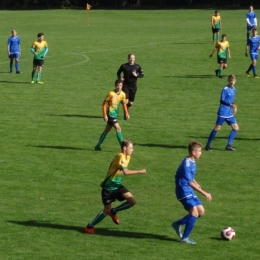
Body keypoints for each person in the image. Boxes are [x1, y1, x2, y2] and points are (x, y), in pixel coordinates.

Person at [84, 139, 146, 234]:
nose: (132, 150)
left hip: (118, 185)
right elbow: (125, 172)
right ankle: (89, 227)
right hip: (109, 188)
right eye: (131, 148)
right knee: (106, 211)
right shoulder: (120, 156)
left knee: (132, 201)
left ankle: (114, 211)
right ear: (124, 148)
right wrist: (139, 171)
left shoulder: (127, 157)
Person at [172, 141, 212, 245]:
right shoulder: (186, 164)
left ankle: (177, 224)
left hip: (188, 189)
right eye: (199, 151)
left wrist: (197, 183)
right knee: (194, 213)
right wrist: (204, 192)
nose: (201, 153)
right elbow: (189, 182)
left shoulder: (192, 162)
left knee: (201, 212)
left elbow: (191, 178)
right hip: (183, 191)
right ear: (193, 152)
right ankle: (184, 238)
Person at [205, 74, 238, 151]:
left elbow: (231, 100)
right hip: (223, 112)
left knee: (236, 128)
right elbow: (221, 100)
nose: (232, 82)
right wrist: (230, 105)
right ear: (228, 81)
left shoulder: (234, 89)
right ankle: (208, 145)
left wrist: (234, 106)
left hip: (229, 113)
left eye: (233, 80)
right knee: (217, 129)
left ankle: (228, 145)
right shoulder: (225, 89)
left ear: (235, 81)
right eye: (230, 80)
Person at [94, 79, 129, 151]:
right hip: (110, 114)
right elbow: (104, 104)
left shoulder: (123, 94)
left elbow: (124, 104)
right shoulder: (111, 94)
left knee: (106, 131)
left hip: (115, 114)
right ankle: (123, 148)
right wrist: (105, 115)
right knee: (118, 128)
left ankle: (98, 145)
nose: (119, 87)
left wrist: (126, 113)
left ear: (122, 86)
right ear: (115, 86)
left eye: (120, 85)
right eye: (117, 85)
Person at [117, 54, 144, 119]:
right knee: (126, 100)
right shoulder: (124, 66)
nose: (131, 59)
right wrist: (120, 78)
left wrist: (136, 75)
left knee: (130, 103)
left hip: (133, 86)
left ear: (134, 58)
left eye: (133, 58)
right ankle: (126, 113)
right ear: (128, 58)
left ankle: (126, 108)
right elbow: (118, 73)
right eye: (130, 58)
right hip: (125, 85)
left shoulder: (137, 66)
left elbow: (142, 75)